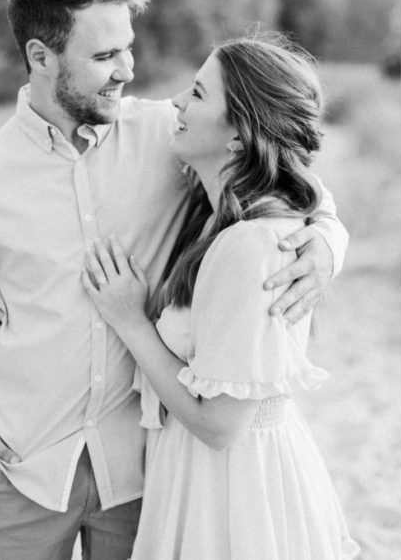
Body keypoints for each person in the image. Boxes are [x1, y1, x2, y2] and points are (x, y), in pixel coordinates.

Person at [0, 0, 347, 559]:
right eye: (103, 57)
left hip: (145, 471)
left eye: (128, 48)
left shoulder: (168, 135)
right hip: (22, 465)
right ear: (41, 57)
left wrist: (327, 240)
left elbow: (283, 178)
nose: (128, 70)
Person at [83, 34, 360, 558]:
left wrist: (130, 321)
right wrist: (328, 231)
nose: (177, 105)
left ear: (238, 135)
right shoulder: (214, 210)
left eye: (197, 94)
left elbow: (220, 423)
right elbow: (310, 189)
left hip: (234, 486)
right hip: (200, 469)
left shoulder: (250, 244)